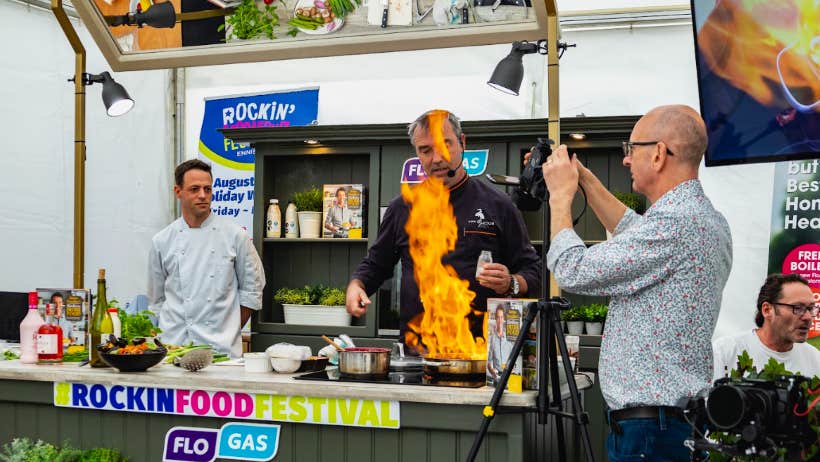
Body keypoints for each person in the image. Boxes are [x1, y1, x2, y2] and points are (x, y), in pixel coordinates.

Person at [541, 104, 733, 462]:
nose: (626, 160)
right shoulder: (706, 219)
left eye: (631, 149)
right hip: (669, 424)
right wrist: (584, 179)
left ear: (658, 153)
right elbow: (633, 228)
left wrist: (560, 197)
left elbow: (571, 269)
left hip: (649, 432)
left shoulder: (673, 226)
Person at [345, 109, 541, 342]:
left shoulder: (499, 204)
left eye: (444, 145)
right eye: (425, 150)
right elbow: (376, 264)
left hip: (482, 351)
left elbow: (534, 271)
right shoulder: (402, 207)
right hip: (417, 351)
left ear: (462, 143)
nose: (436, 158)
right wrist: (357, 285)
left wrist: (511, 284)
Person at [148, 159, 265, 358]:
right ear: (178, 192)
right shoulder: (162, 240)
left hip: (221, 352)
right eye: (194, 189)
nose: (203, 195)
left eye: (207, 189)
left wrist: (228, 330)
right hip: (174, 350)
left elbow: (252, 293)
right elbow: (157, 300)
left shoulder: (236, 235)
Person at [713, 273, 820, 379]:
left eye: (810, 309)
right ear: (767, 310)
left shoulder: (815, 359)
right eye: (797, 308)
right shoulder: (725, 351)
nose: (808, 317)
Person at [486, 303, 513, 385]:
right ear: (495, 319)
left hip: (509, 379)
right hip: (497, 380)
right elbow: (489, 362)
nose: (500, 320)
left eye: (501, 317)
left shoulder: (509, 339)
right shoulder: (492, 339)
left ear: (504, 318)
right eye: (498, 317)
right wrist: (492, 371)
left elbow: (512, 359)